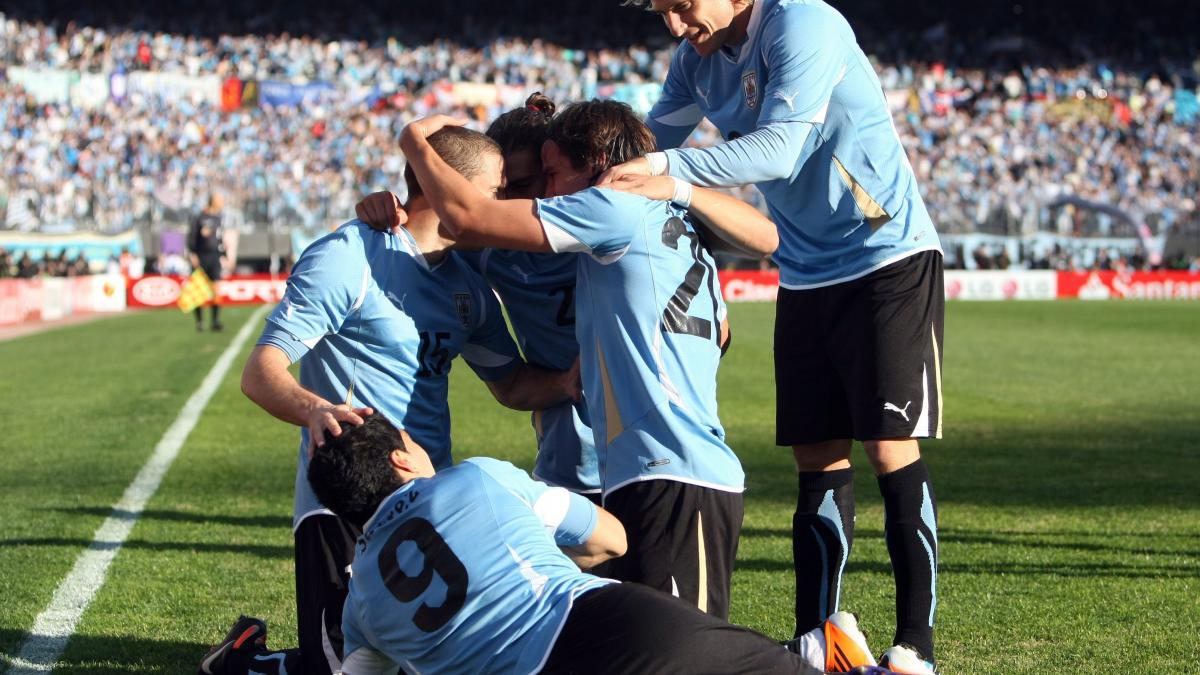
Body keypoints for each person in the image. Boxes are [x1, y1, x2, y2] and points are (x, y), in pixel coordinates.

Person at [605, 1, 944, 671]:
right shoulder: (695, 62)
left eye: (680, 4)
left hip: (887, 255)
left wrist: (669, 177)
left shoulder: (802, 23)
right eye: (662, 10)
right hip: (806, 271)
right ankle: (818, 638)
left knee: (886, 446)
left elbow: (780, 149)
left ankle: (916, 646)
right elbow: (643, 143)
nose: (674, 25)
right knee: (815, 458)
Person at [397, 102, 778, 620]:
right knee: (615, 639)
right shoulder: (632, 216)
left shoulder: (607, 211)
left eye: (545, 177)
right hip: (607, 457)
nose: (535, 196)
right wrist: (390, 212)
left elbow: (467, 216)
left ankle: (817, 649)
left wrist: (414, 144)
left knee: (682, 647)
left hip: (667, 458)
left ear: (594, 162)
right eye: (504, 188)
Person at [219, 127, 579, 675]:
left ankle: (253, 661)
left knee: (430, 659)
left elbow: (509, 384)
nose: (507, 202)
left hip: (430, 491)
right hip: (349, 494)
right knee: (344, 667)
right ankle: (245, 661)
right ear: (447, 185)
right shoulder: (351, 255)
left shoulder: (469, 287)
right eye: (497, 187)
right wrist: (316, 409)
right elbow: (260, 371)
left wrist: (574, 381)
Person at [203, 414, 882, 675]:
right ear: (404, 461)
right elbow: (611, 536)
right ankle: (822, 654)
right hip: (616, 625)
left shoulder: (362, 602)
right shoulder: (477, 477)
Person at [357, 93, 603, 502]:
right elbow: (428, 238)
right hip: (570, 453)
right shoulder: (486, 251)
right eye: (497, 192)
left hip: (649, 442)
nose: (503, 206)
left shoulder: (607, 226)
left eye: (522, 186)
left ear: (554, 172)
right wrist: (384, 210)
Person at [189, 193, 228, 331]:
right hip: (201, 256)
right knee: (198, 290)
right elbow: (192, 237)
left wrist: (224, 255)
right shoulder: (200, 217)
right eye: (220, 200)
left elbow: (220, 239)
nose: (223, 202)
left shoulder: (219, 218)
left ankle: (215, 321)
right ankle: (200, 322)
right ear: (213, 201)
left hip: (215, 257)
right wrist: (192, 254)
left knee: (216, 289)